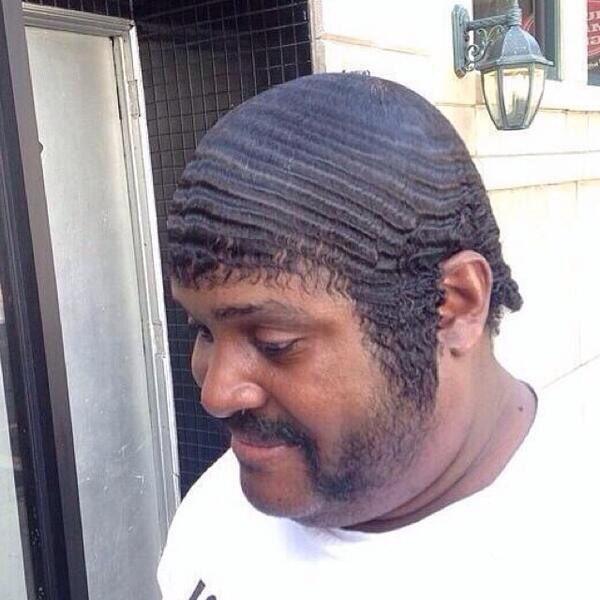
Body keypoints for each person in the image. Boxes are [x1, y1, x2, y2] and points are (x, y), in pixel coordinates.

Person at [157, 73, 598, 600]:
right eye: (203, 330)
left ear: (454, 305)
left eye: (274, 342)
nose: (216, 393)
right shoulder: (217, 510)